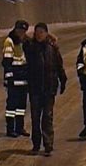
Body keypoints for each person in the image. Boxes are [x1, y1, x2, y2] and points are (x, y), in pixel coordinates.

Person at [24, 22, 67, 156]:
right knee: (35, 118)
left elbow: (59, 65)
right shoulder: (31, 48)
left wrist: (63, 80)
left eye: (41, 32)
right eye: (37, 32)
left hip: (49, 89)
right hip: (35, 89)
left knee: (47, 117)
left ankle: (48, 144)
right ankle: (36, 144)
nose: (39, 35)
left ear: (46, 33)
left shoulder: (52, 48)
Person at [2, 20, 30, 137]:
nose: (21, 32)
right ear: (15, 29)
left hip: (23, 78)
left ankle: (20, 128)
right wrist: (9, 78)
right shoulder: (9, 41)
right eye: (19, 30)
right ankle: (10, 129)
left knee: (21, 106)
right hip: (14, 78)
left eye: (23, 31)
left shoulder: (26, 41)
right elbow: (7, 61)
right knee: (11, 106)